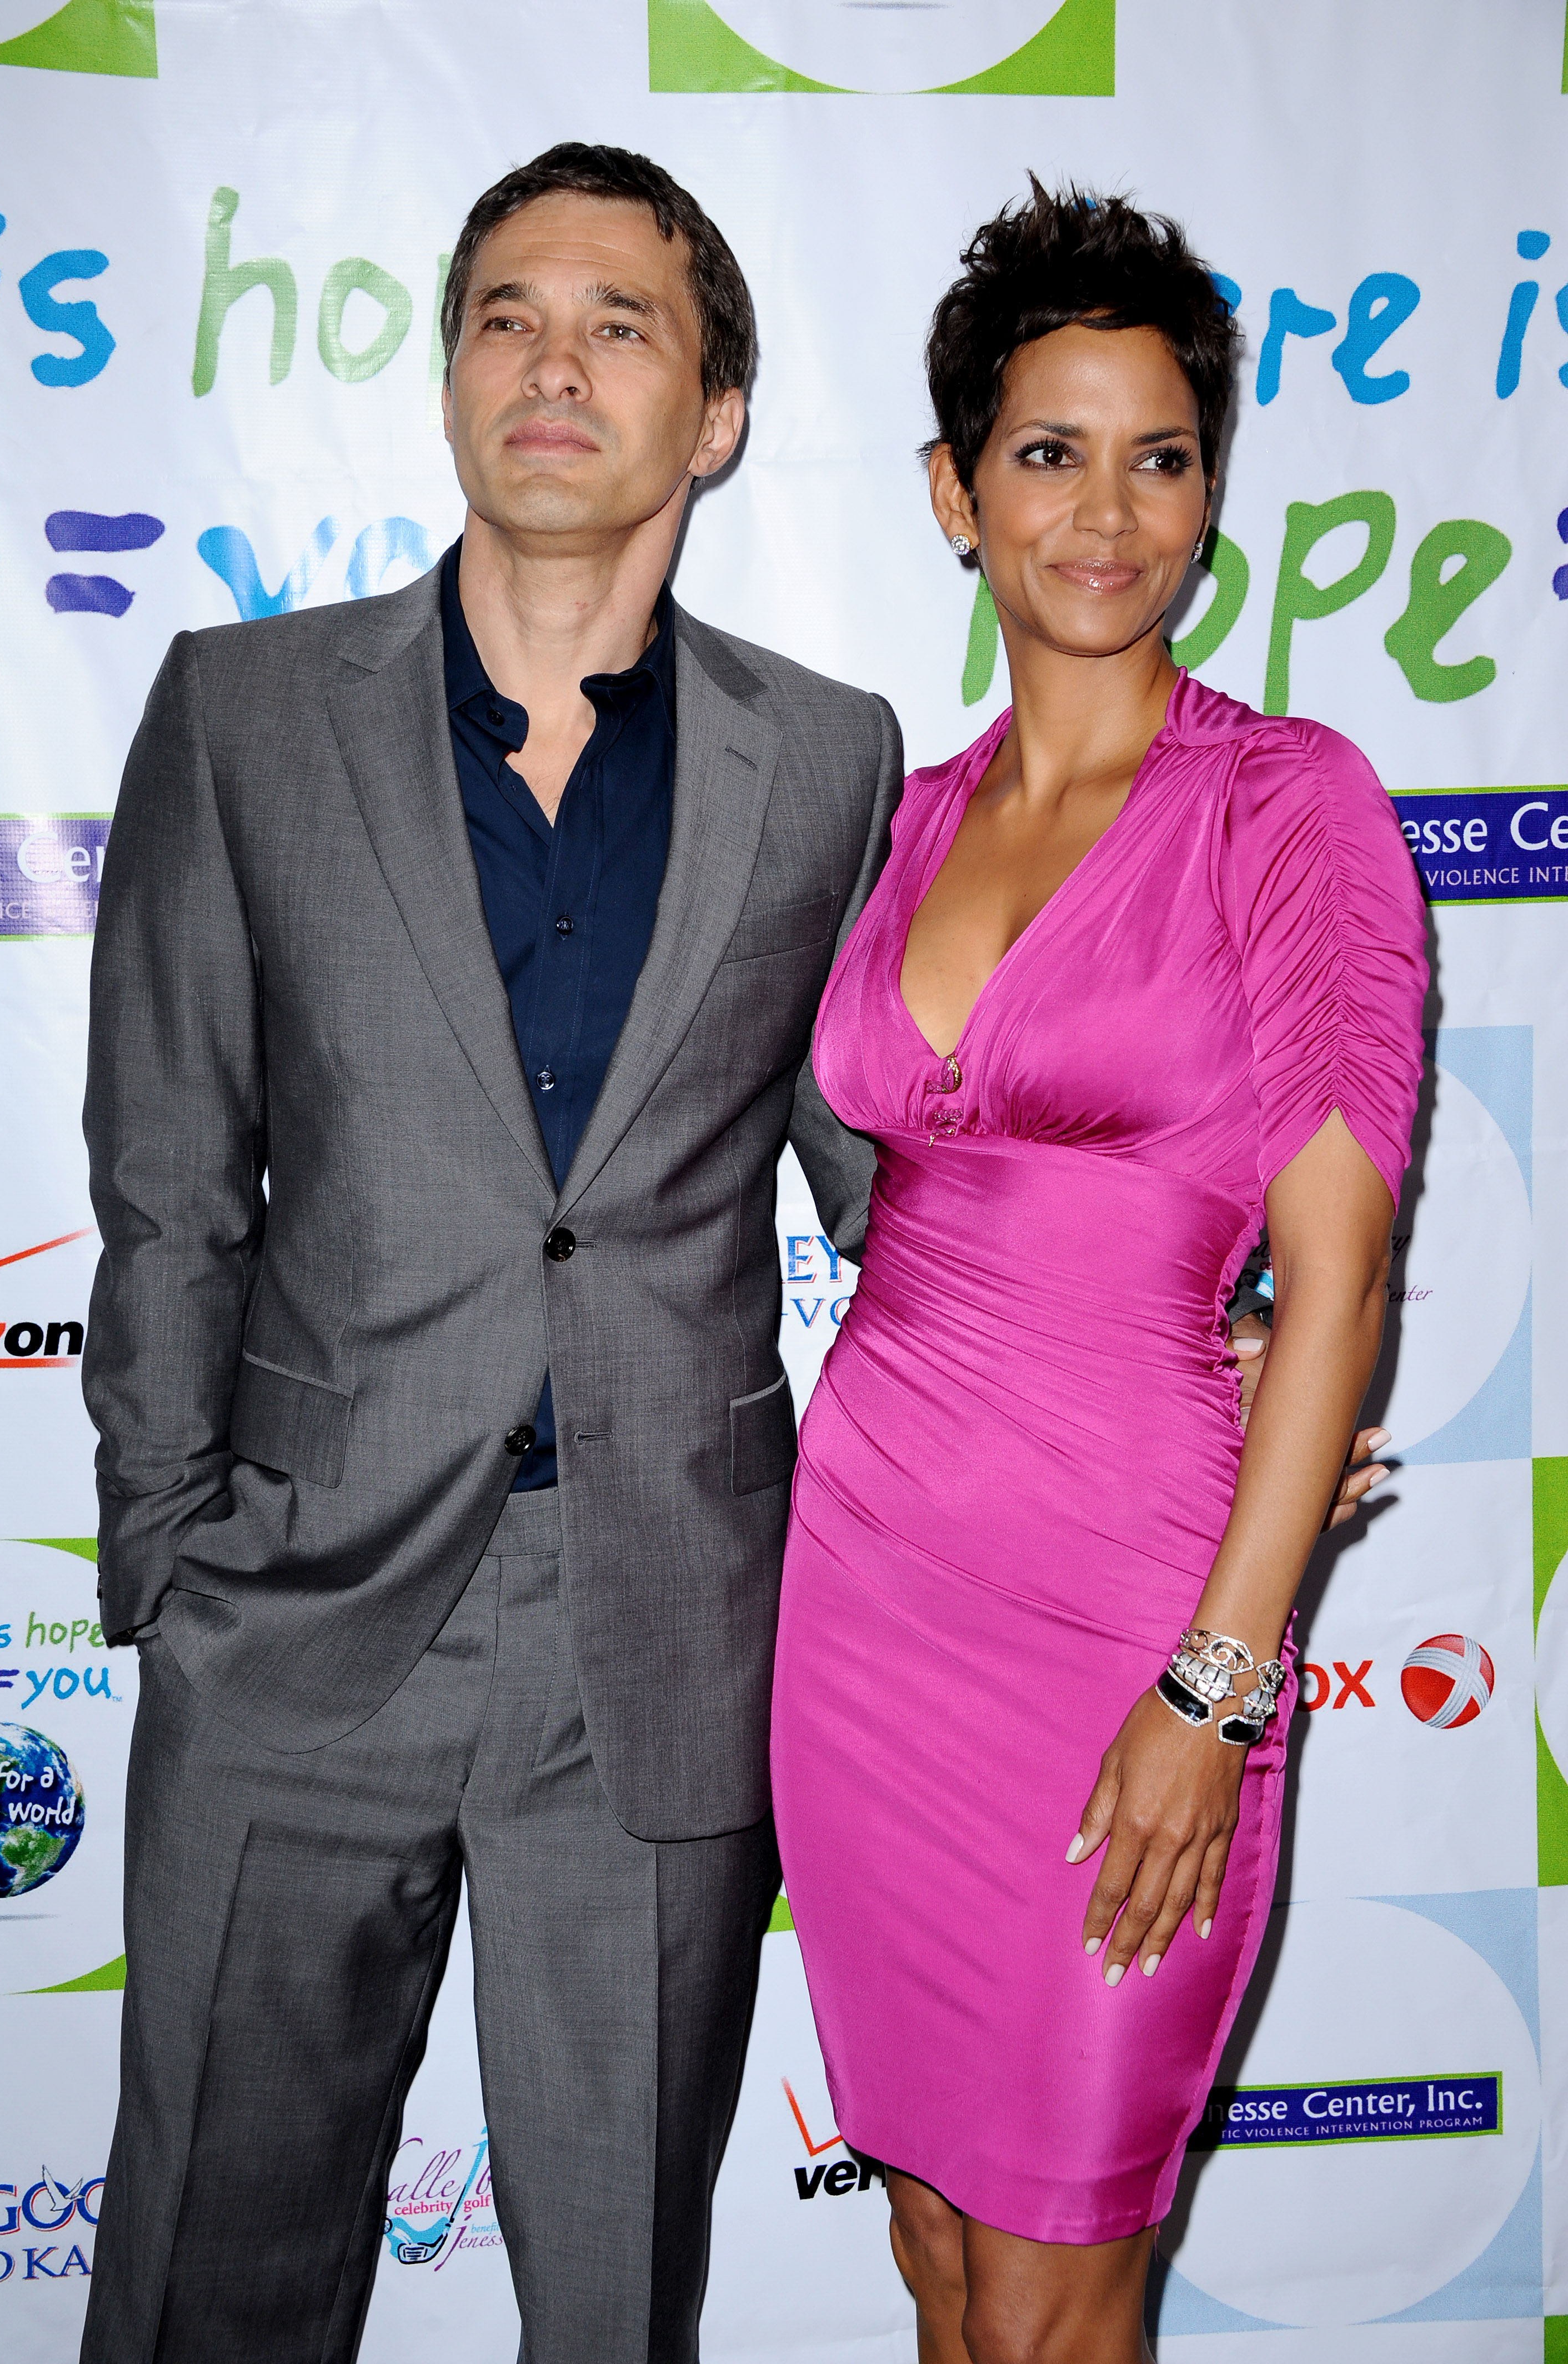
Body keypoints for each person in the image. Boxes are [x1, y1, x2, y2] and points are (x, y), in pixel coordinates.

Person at [78, 144, 904, 2364]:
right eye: (507, 317)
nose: (555, 361)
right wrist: (168, 1562)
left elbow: (892, 1185)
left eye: (622, 324)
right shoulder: (243, 713)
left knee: (616, 2301)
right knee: (204, 2287)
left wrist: (1175, 1313)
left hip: (662, 1628)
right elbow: (165, 1176)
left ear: (714, 413)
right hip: (294, 1612)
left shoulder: (830, 761)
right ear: (451, 379)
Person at [769, 184, 1427, 2364]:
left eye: (1162, 456)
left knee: (1059, 2292)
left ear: (1212, 493)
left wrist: (1216, 1688)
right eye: (1050, 452)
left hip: (1135, 1624)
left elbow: (1337, 1276)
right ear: (955, 491)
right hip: (865, 1606)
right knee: (946, 2268)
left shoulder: (1286, 804)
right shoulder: (904, 821)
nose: (1109, 512)